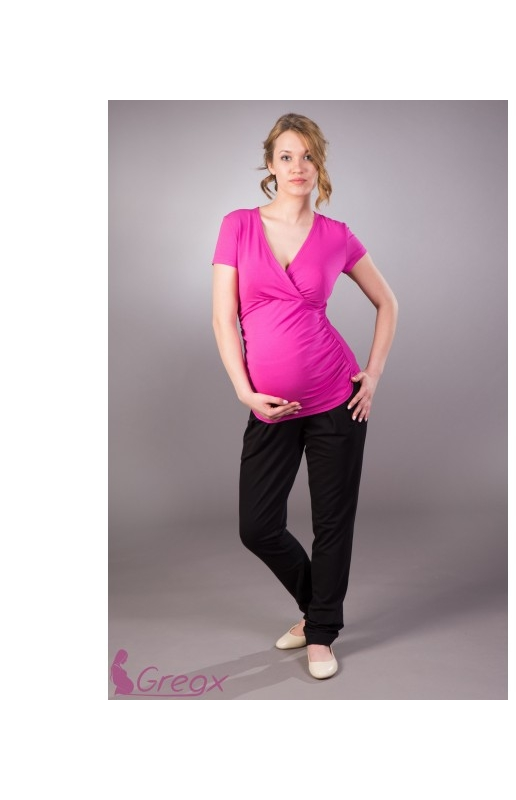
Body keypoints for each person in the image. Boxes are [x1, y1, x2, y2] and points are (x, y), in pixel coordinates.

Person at [211, 113, 398, 680]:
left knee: (332, 522)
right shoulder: (238, 226)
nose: (298, 167)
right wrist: (245, 391)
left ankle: (321, 633)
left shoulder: (337, 236)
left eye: (308, 156)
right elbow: (223, 318)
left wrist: (372, 374)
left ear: (319, 166)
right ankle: (317, 607)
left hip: (336, 397)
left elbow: (387, 303)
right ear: (270, 165)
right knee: (257, 526)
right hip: (268, 404)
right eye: (287, 156)